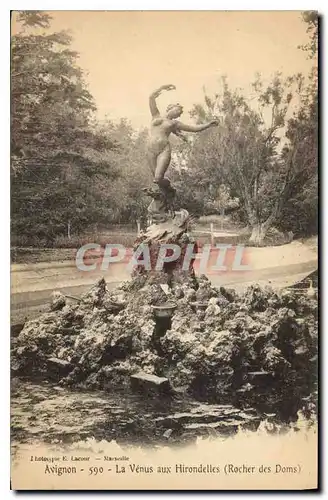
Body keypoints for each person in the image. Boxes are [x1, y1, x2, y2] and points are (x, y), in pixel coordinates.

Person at [147, 84, 218, 187]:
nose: (179, 115)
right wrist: (163, 87)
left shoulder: (175, 124)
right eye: (178, 111)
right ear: (171, 108)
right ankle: (164, 191)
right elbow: (151, 97)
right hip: (150, 149)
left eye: (179, 114)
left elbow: (193, 129)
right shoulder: (155, 115)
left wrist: (208, 124)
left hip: (163, 149)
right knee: (156, 180)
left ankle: (168, 186)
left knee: (158, 178)